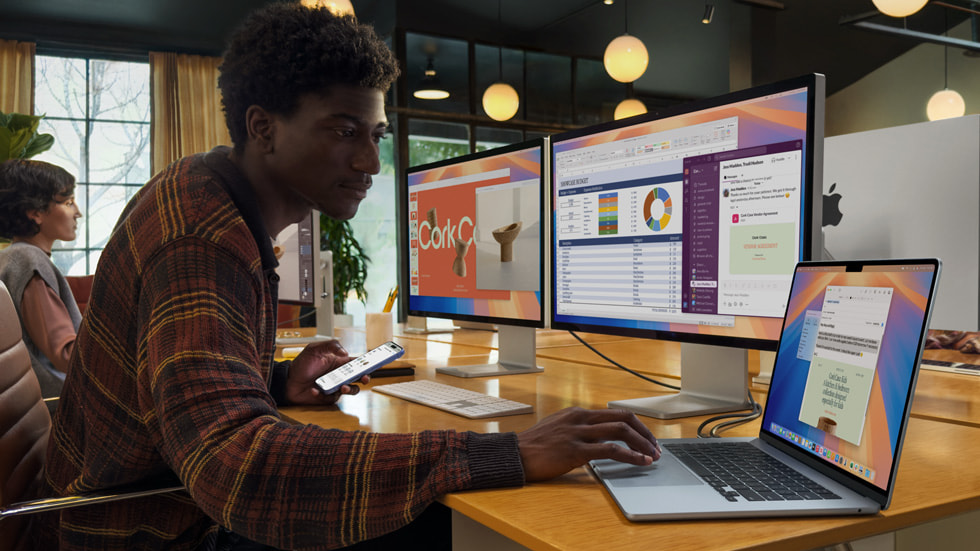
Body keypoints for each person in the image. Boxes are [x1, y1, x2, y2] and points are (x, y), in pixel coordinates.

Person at [39, 4, 662, 550]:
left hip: (158, 500)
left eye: (376, 135)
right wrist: (507, 451)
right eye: (343, 131)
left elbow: (183, 396)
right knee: (485, 528)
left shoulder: (205, 193)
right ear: (263, 128)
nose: (369, 162)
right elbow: (234, 467)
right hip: (151, 529)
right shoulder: (203, 235)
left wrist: (280, 381)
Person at [0, 158, 83, 400]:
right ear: (36, 212)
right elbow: (67, 356)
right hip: (59, 406)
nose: (77, 212)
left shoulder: (13, 257)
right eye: (68, 203)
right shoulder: (28, 262)